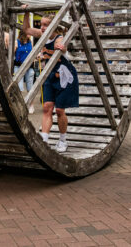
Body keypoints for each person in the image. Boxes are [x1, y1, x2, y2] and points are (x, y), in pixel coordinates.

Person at [22, 10, 79, 153]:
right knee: (47, 107)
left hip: (64, 75)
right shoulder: (42, 35)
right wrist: (27, 13)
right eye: (42, 24)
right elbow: (26, 30)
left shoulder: (58, 38)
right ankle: (44, 141)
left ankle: (63, 140)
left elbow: (62, 45)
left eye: (46, 25)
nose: (42, 28)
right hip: (49, 74)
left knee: (59, 110)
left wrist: (63, 48)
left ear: (54, 26)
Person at [14, 31, 36, 114]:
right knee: (19, 88)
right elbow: (12, 54)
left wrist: (36, 57)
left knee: (30, 87)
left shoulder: (31, 42)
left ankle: (31, 105)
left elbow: (33, 53)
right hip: (19, 66)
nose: (30, 33)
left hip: (29, 66)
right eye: (28, 32)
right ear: (23, 33)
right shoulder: (17, 42)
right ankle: (19, 106)